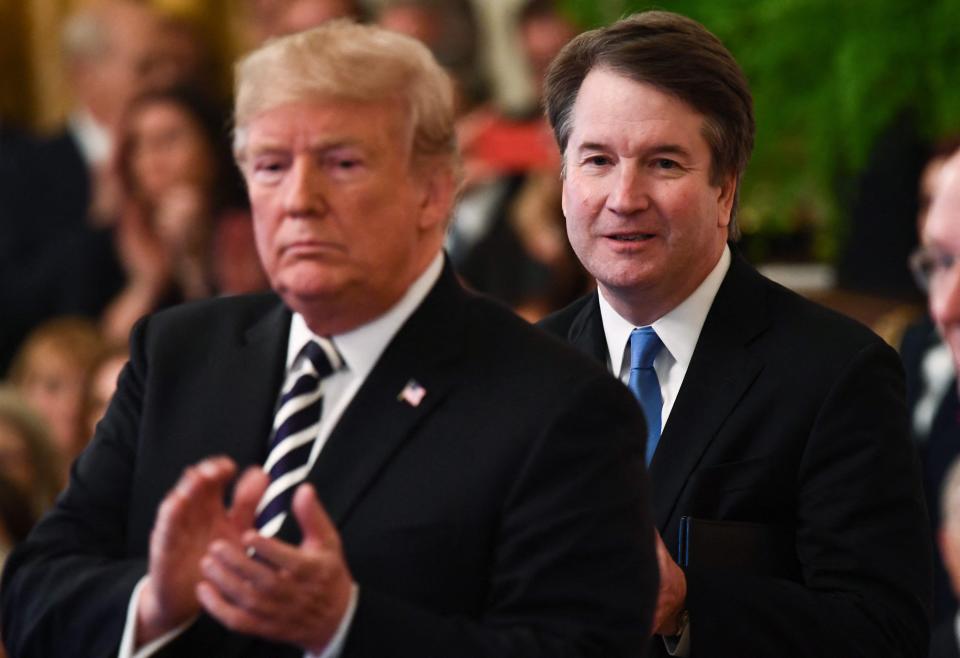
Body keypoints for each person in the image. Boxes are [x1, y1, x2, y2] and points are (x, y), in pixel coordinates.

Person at [0, 20, 658, 658]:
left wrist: (346, 628)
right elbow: (32, 591)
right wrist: (155, 602)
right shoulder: (175, 354)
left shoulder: (559, 407)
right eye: (270, 166)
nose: (299, 199)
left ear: (432, 192)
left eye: (341, 163)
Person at [538, 10, 931, 657]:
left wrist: (688, 603)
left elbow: (885, 632)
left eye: (663, 163)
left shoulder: (836, 372)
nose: (624, 196)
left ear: (726, 189)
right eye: (598, 160)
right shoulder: (526, 366)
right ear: (563, 180)